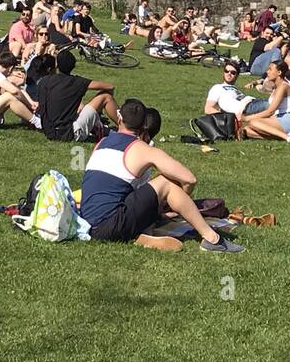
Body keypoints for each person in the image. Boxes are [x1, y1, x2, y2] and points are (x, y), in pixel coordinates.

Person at [80, 99, 243, 252]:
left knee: (139, 192)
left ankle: (138, 235)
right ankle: (212, 239)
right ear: (144, 125)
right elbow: (189, 179)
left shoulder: (101, 143)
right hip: (111, 224)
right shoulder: (143, 149)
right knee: (167, 182)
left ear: (119, 117)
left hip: (89, 223)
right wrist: (179, 200)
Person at [36, 49, 117, 141]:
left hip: (49, 131)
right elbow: (110, 86)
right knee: (105, 96)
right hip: (69, 133)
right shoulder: (77, 82)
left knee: (79, 107)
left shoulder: (44, 81)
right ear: (73, 66)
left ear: (57, 65)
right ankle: (126, 129)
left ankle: (99, 126)